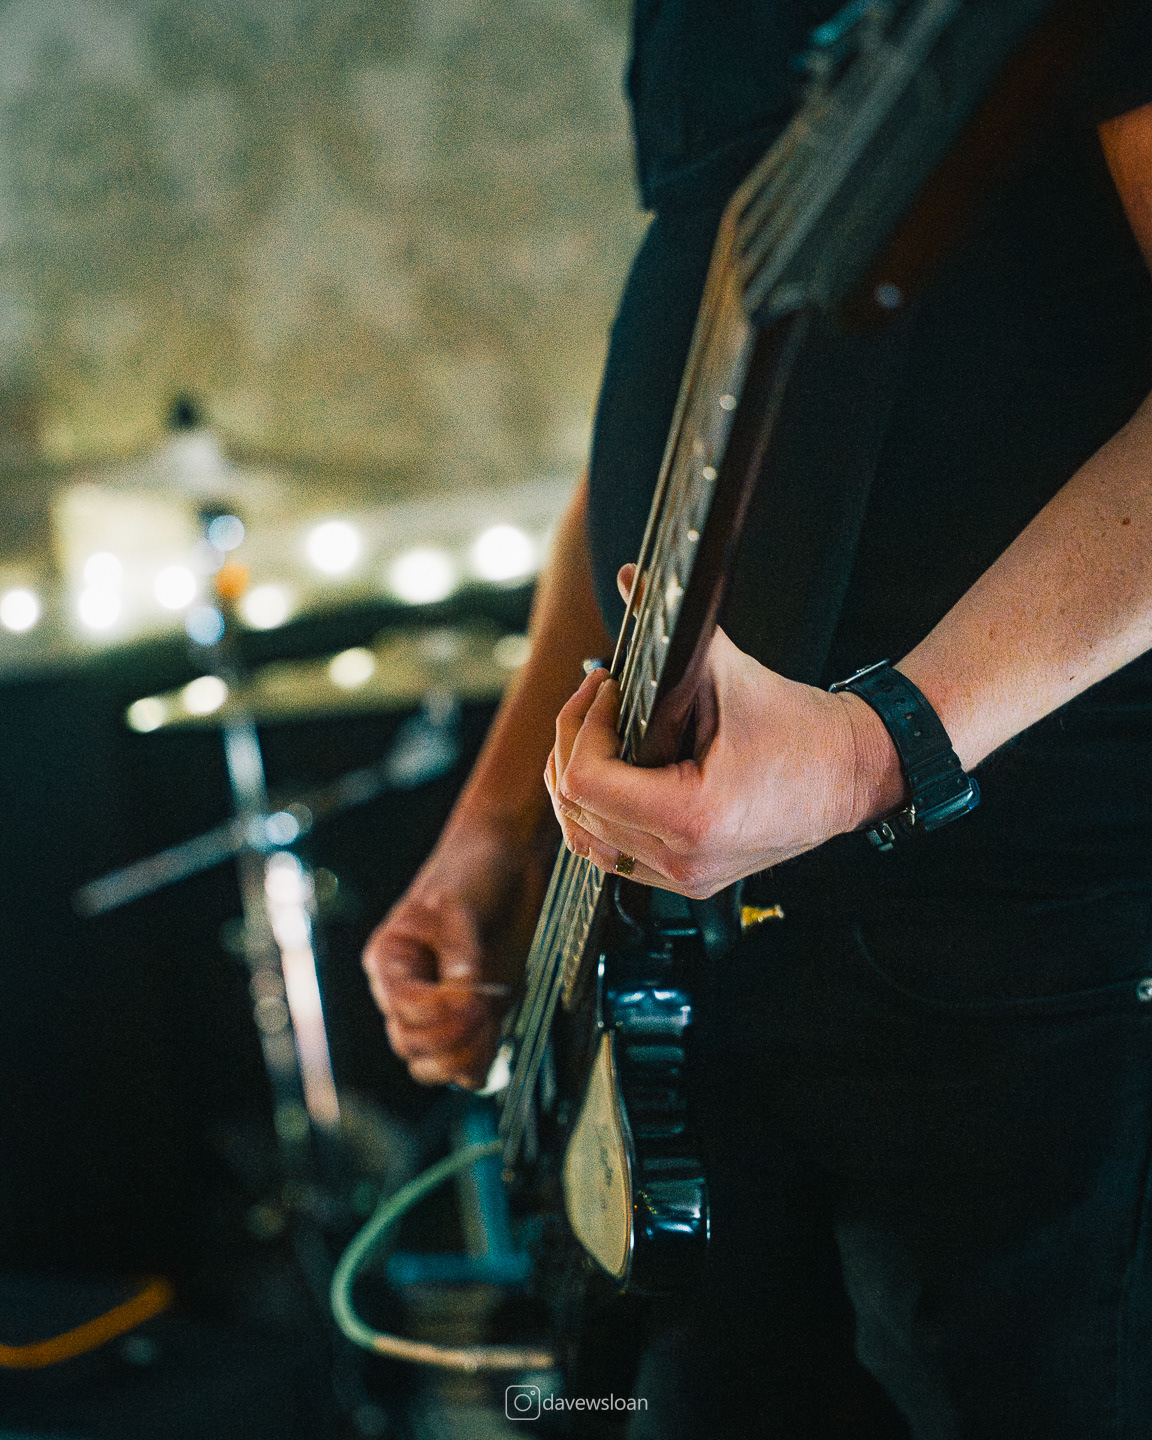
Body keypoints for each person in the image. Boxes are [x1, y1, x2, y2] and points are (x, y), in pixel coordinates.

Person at [363, 3, 1152, 1434]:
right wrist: (495, 828)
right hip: (703, 949)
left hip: (1023, 939)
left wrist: (877, 746)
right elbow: (675, 424)